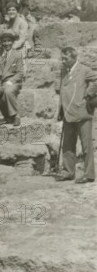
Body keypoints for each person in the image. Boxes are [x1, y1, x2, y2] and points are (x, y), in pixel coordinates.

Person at [56, 47, 97, 184]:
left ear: (74, 58)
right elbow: (63, 89)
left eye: (65, 58)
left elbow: (96, 79)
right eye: (62, 58)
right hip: (67, 113)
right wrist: (61, 110)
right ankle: (68, 172)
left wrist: (88, 93)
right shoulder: (63, 70)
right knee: (67, 145)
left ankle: (89, 175)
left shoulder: (84, 70)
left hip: (82, 112)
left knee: (86, 146)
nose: (63, 61)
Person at [3, 2, 30, 76]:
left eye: (13, 10)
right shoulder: (9, 22)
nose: (11, 12)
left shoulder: (22, 22)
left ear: (17, 11)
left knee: (20, 65)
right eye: (9, 10)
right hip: (10, 46)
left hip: (21, 46)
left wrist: (13, 48)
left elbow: (22, 38)